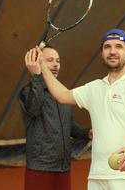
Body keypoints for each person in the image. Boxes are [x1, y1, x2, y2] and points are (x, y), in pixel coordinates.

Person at [26, 29, 125, 190]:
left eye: (119, 46)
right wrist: (41, 67)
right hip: (97, 178)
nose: (112, 51)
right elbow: (63, 95)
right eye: (107, 47)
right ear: (102, 53)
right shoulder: (95, 88)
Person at [19, 46, 92, 190]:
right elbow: (34, 109)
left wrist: (87, 133)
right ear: (38, 63)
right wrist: (36, 76)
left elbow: (69, 126)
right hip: (40, 168)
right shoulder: (28, 92)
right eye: (50, 60)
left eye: (58, 61)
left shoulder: (63, 93)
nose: (55, 64)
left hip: (63, 167)